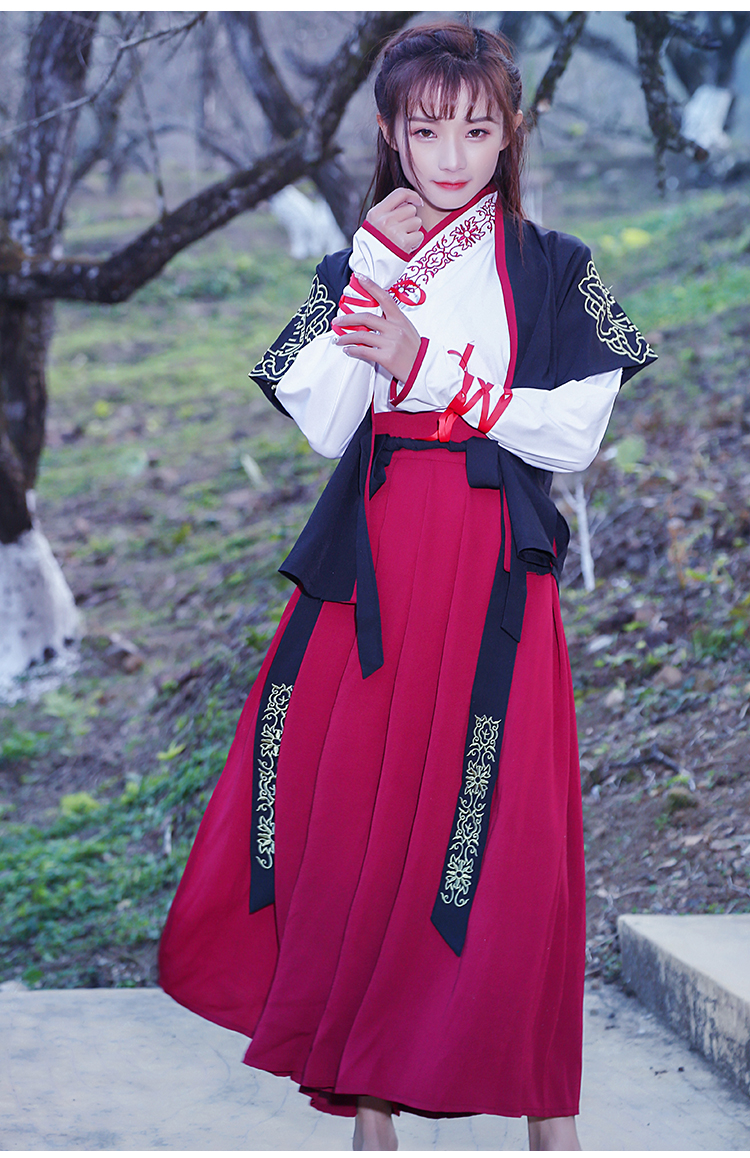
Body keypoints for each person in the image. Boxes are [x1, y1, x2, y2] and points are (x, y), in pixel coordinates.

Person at [159, 21, 656, 1152]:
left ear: (509, 134)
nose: (452, 155)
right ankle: (369, 1107)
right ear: (390, 132)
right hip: (375, 563)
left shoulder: (557, 265)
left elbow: (573, 435)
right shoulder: (356, 264)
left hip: (492, 568)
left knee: (509, 833)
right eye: (427, 130)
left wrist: (429, 368)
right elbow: (328, 418)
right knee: (363, 821)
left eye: (478, 129)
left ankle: (551, 1115)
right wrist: (372, 271)